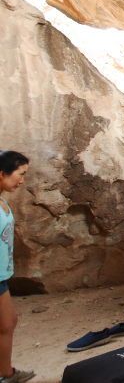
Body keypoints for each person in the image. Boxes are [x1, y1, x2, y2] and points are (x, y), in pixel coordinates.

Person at [0, 151, 34, 383]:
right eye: (20, 174)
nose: (22, 180)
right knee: (7, 322)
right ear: (2, 174)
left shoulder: (2, 198)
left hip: (2, 276)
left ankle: (6, 373)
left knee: (8, 322)